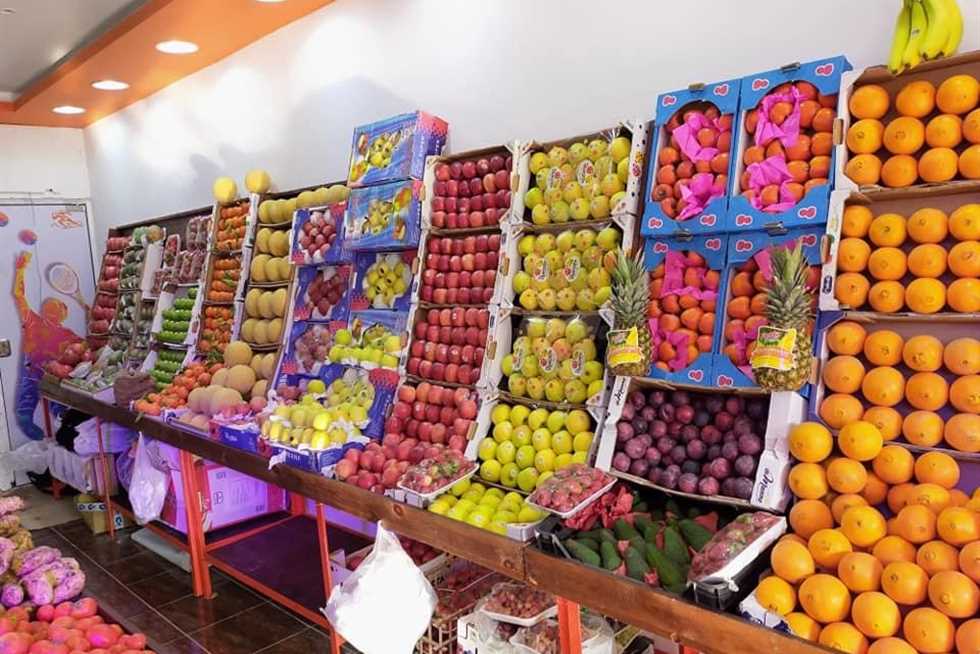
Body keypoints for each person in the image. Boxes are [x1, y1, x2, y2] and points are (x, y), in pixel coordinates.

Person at [12, 251, 82, 440]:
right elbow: (18, 294)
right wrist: (20, 269)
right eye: (52, 305)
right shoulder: (33, 320)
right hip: (33, 371)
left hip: (50, 376)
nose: (54, 307)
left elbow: (87, 348)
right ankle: (56, 430)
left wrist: (20, 269)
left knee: (58, 410)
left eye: (58, 305)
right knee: (26, 412)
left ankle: (62, 429)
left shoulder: (66, 333)